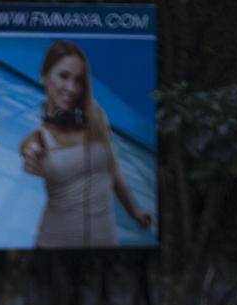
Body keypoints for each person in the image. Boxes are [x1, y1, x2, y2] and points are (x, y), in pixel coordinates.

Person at [18, 41, 153, 248]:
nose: (71, 88)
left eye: (79, 81)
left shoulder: (96, 117)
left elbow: (113, 169)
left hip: (105, 239)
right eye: (63, 76)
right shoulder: (37, 135)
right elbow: (29, 152)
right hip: (54, 243)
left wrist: (133, 212)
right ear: (44, 75)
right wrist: (31, 155)